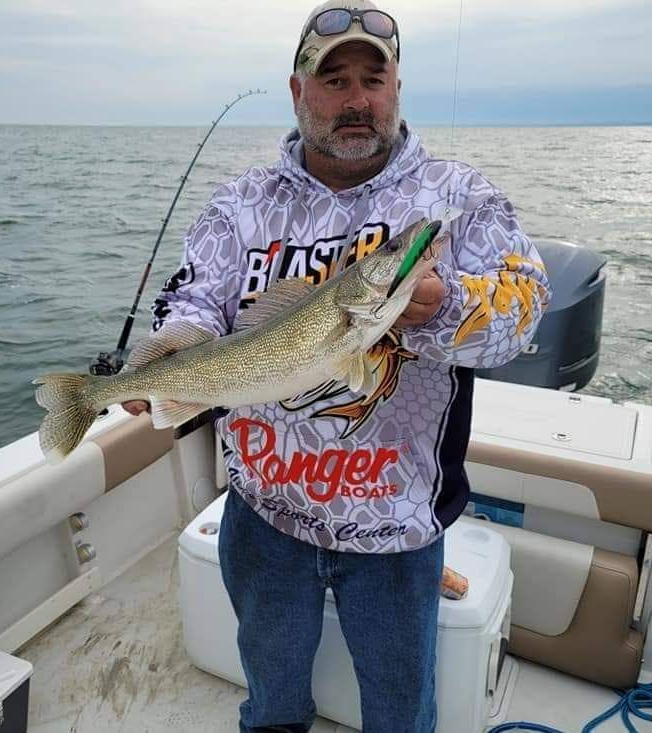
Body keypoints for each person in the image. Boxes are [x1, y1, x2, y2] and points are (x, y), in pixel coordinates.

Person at [124, 1, 551, 730]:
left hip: (396, 531)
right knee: (272, 702)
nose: (356, 100)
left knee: (399, 712)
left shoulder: (456, 198)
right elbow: (195, 290)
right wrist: (176, 346)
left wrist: (444, 303)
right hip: (261, 517)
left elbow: (526, 305)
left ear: (396, 88)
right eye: (334, 80)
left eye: (372, 79)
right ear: (299, 93)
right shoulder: (241, 204)